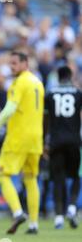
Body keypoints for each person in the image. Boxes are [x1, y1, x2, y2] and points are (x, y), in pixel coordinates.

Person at [0, 51, 45, 234]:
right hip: (36, 138)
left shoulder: (19, 83)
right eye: (10, 64)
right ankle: (34, 224)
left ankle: (18, 213)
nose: (12, 67)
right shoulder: (38, 83)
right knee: (31, 178)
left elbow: (10, 108)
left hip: (18, 137)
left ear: (25, 64)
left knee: (3, 175)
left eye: (15, 63)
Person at [44, 65, 82, 229]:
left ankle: (59, 216)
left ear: (58, 77)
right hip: (74, 140)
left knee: (58, 178)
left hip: (56, 142)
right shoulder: (78, 92)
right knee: (76, 176)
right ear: (70, 76)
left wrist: (44, 141)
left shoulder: (50, 93)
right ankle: (72, 207)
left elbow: (45, 120)